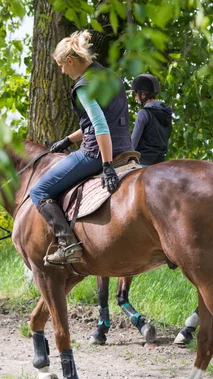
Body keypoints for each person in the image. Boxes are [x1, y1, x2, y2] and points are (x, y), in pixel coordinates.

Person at [29, 30, 133, 267]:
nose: (63, 72)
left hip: (95, 153)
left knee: (39, 191)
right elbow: (99, 121)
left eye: (61, 66)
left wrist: (106, 166)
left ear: (70, 60)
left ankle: (68, 246)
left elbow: (100, 126)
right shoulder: (111, 77)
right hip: (125, 148)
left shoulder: (83, 86)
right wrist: (67, 140)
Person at [130, 74, 173, 166]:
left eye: (136, 95)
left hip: (143, 162)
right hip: (161, 163)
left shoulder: (143, 113)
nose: (135, 98)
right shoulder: (167, 113)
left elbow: (133, 142)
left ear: (143, 94)